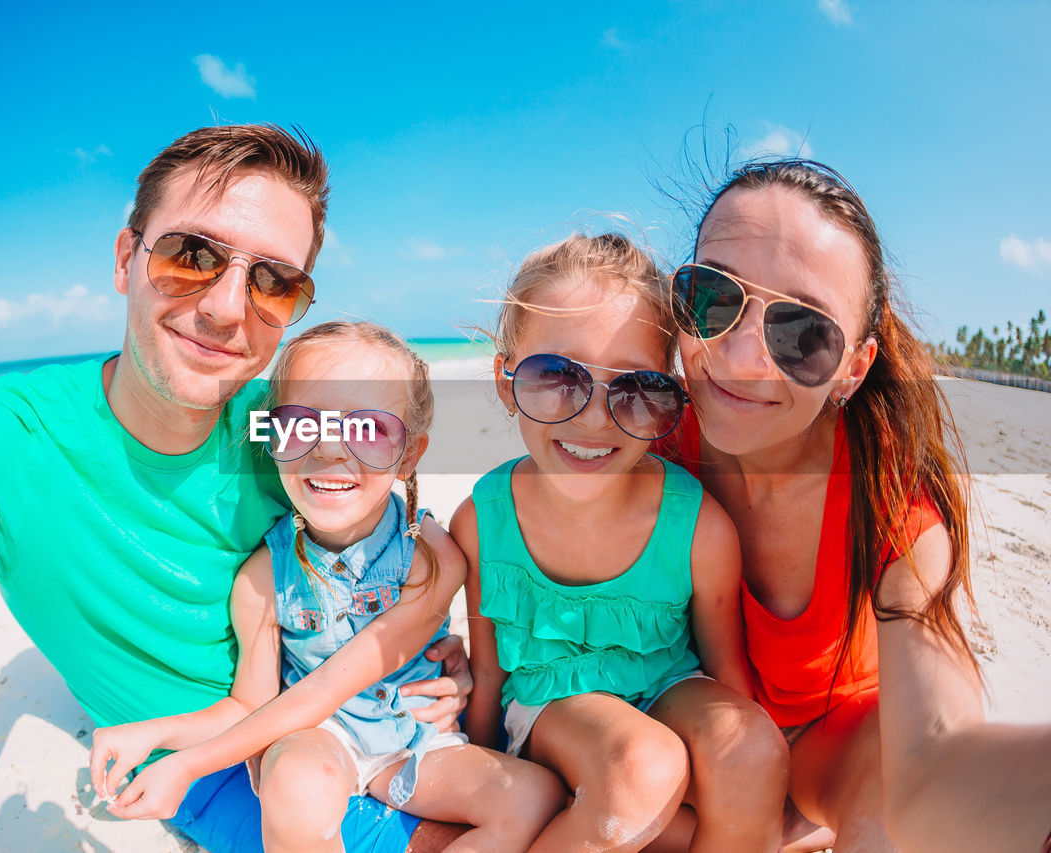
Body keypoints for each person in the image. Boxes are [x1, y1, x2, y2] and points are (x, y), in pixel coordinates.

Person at [0, 125, 470, 853]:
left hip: (373, 721)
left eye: (271, 280)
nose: (230, 308)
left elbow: (407, 523)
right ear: (125, 258)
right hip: (229, 775)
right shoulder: (10, 449)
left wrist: (422, 642)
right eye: (192, 256)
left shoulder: (286, 427)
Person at [653, 159, 1051, 852]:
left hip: (829, 747)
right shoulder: (646, 436)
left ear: (853, 369)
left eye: (802, 335)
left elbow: (935, 758)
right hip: (694, 737)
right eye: (712, 297)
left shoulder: (893, 499)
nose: (743, 357)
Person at [88, 321, 564, 851]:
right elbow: (250, 705)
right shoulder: (262, 578)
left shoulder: (431, 559)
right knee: (295, 779)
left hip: (413, 741)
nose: (331, 451)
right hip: (321, 740)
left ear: (409, 453)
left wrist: (188, 766)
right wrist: (155, 733)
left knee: (532, 795)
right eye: (300, 426)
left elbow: (333, 682)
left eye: (369, 430)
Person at [451, 233, 789, 852]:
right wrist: (476, 776)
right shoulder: (483, 521)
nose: (595, 418)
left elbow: (726, 675)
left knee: (753, 750)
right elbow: (491, 675)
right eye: (557, 375)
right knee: (645, 766)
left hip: (668, 688)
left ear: (669, 401)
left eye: (637, 388)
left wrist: (735, 784)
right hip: (551, 704)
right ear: (506, 382)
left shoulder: (699, 530)